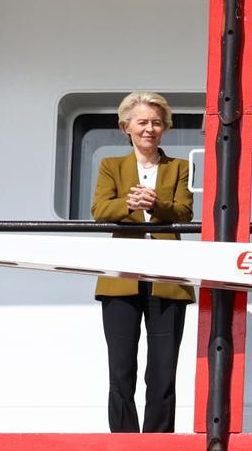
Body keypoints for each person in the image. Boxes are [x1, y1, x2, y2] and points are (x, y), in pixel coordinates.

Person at [91, 91, 194, 433]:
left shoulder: (180, 167)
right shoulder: (111, 166)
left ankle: (159, 440)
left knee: (163, 370)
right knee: (121, 369)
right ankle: (124, 440)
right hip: (121, 277)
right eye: (142, 122)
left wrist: (156, 203)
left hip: (167, 278)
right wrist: (131, 205)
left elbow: (184, 212)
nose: (150, 129)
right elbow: (100, 210)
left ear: (165, 127)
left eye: (157, 122)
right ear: (126, 127)